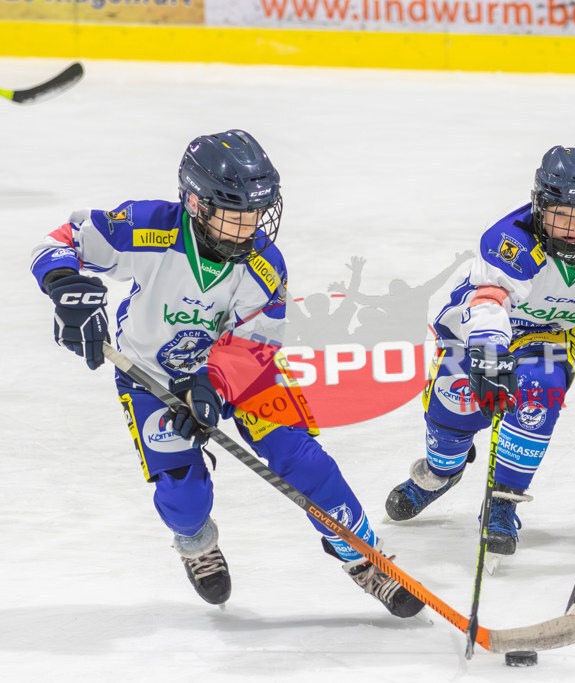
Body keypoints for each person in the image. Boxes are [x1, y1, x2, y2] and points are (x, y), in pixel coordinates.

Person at [29, 129, 424, 616]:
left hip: (241, 375)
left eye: (255, 214)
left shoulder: (264, 264)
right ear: (196, 204)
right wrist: (67, 288)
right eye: (236, 216)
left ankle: (364, 558)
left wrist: (212, 386)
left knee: (304, 461)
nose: (250, 227)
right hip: (151, 374)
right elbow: (60, 242)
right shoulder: (147, 227)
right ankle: (195, 543)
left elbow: (257, 345)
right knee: (184, 490)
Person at [383, 145, 575, 560]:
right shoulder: (510, 238)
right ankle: (441, 472)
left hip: (551, 334)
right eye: (560, 213)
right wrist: (488, 348)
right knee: (455, 414)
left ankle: (503, 502)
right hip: (476, 331)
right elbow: (487, 299)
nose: (573, 227)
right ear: (540, 206)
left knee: (540, 394)